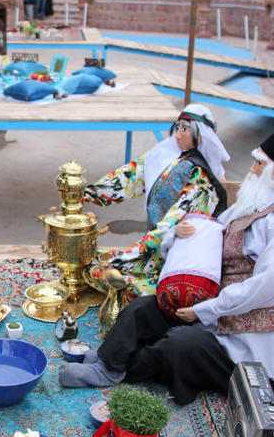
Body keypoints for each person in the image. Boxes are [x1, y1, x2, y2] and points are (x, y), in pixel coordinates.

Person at [60, 135, 274, 405]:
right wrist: (178, 232)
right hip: (208, 306)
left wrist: (203, 310)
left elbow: (265, 287)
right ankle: (107, 364)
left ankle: (118, 369)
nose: (251, 170)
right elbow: (209, 234)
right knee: (144, 309)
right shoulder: (249, 207)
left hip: (242, 338)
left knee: (180, 344)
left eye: (259, 164)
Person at [82, 104, 229, 300]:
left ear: (200, 135)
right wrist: (87, 193)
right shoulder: (168, 155)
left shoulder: (202, 184)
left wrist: (122, 263)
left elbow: (168, 229)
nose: (177, 134)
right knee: (89, 266)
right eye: (177, 128)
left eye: (184, 129)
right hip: (148, 252)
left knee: (124, 284)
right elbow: (130, 175)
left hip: (173, 263)